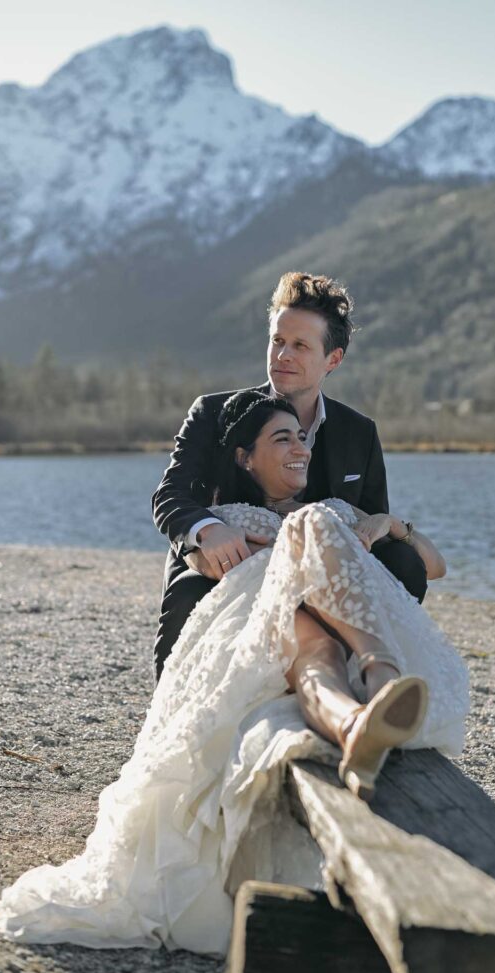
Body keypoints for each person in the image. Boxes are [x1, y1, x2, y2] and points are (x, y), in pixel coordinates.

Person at [0, 393, 469, 957]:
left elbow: (434, 565)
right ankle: (368, 699)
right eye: (282, 439)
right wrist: (254, 539)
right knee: (313, 649)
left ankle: (364, 706)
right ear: (245, 459)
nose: (300, 447)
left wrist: (389, 524)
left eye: (302, 437)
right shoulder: (230, 520)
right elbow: (199, 558)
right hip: (267, 622)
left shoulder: (338, 511)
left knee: (319, 636)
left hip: (320, 623)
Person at [152, 271, 428, 682]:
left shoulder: (359, 433)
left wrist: (390, 531)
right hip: (231, 568)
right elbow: (170, 496)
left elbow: (371, 522)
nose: (283, 355)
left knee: (405, 563)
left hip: (323, 580)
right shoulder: (212, 413)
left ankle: (370, 678)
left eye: (300, 346)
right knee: (191, 588)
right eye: (277, 341)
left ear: (332, 360)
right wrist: (208, 531)